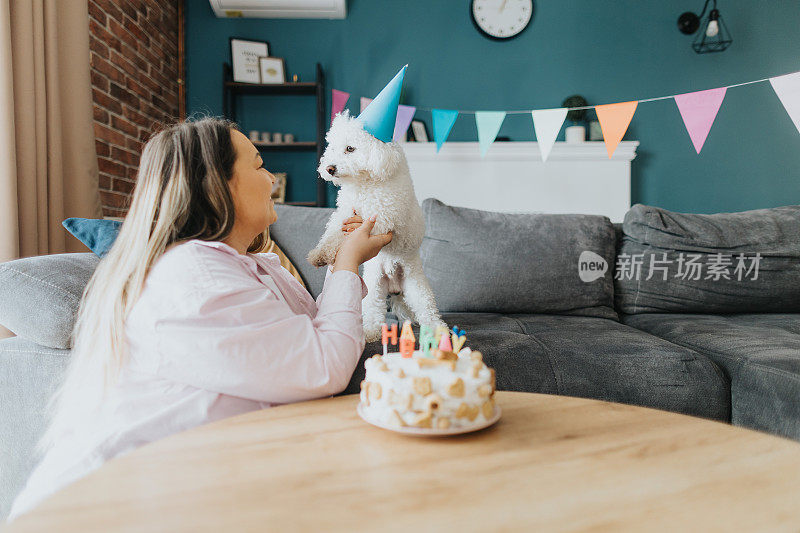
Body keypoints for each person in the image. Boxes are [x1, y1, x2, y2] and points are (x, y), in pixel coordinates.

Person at [7, 117, 391, 521]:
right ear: (218, 184)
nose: (270, 181)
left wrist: (341, 261)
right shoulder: (195, 276)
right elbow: (323, 365)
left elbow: (308, 336)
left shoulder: (251, 265)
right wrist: (348, 262)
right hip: (108, 507)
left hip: (190, 493)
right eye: (259, 166)